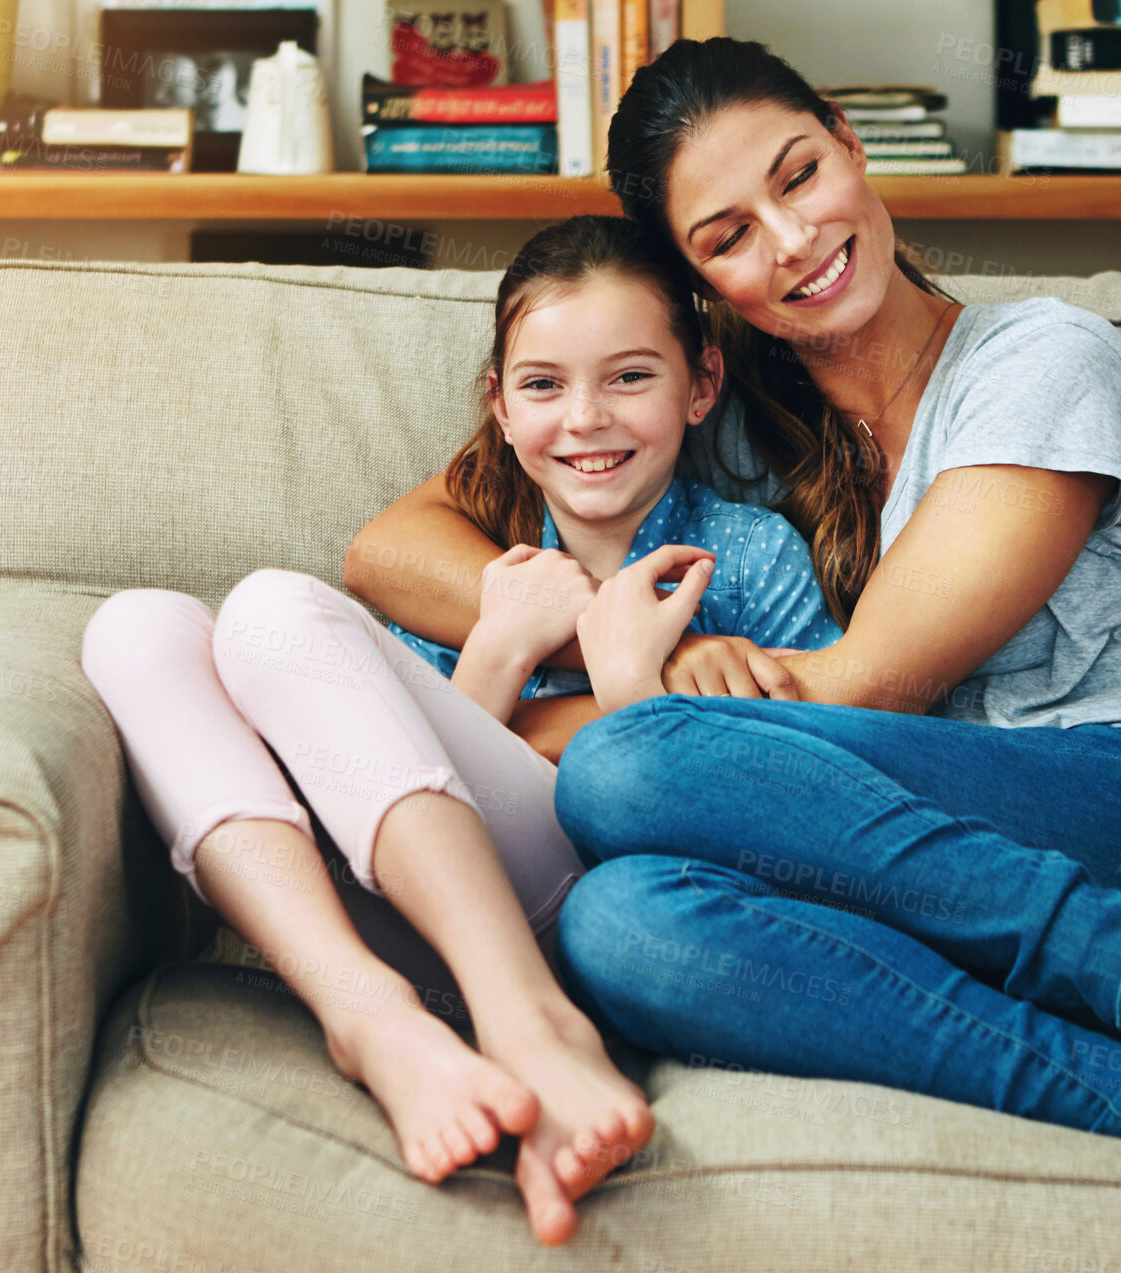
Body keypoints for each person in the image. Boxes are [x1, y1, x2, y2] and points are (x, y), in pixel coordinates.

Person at [349, 40, 1121, 1233]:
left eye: (798, 175)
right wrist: (584, 623)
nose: (793, 238)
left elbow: (863, 690)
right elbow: (392, 549)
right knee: (623, 929)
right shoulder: (727, 419)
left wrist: (613, 717)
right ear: (706, 292)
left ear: (852, 147)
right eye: (729, 236)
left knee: (627, 762)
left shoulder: (1041, 360)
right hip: (920, 887)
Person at [79, 213, 843, 1247]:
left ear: (701, 385)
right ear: (499, 400)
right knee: (135, 628)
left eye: (629, 378)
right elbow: (389, 764)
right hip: (378, 906)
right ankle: (370, 1017)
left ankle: (531, 1021)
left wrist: (633, 687)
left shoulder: (747, 556)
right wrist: (497, 648)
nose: (585, 419)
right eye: (543, 385)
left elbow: (822, 798)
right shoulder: (481, 556)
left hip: (591, 910)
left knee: (271, 607)